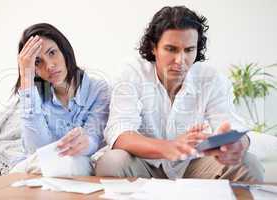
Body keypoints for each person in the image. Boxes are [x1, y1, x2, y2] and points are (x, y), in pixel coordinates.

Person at [94, 6, 264, 182]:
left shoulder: (211, 79)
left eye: (189, 50)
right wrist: (168, 147)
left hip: (191, 166)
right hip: (143, 165)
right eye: (171, 49)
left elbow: (233, 126)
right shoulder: (131, 73)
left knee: (248, 163)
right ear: (154, 48)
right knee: (112, 162)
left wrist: (235, 144)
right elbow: (120, 133)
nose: (180, 60)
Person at [13, 23, 110, 175]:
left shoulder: (98, 90)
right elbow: (37, 149)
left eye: (52, 53)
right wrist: (26, 76)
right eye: (37, 62)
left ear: (64, 51)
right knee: (23, 169)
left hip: (79, 162)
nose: (49, 66)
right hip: (43, 164)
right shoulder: (33, 95)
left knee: (70, 163)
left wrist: (85, 142)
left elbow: (94, 140)